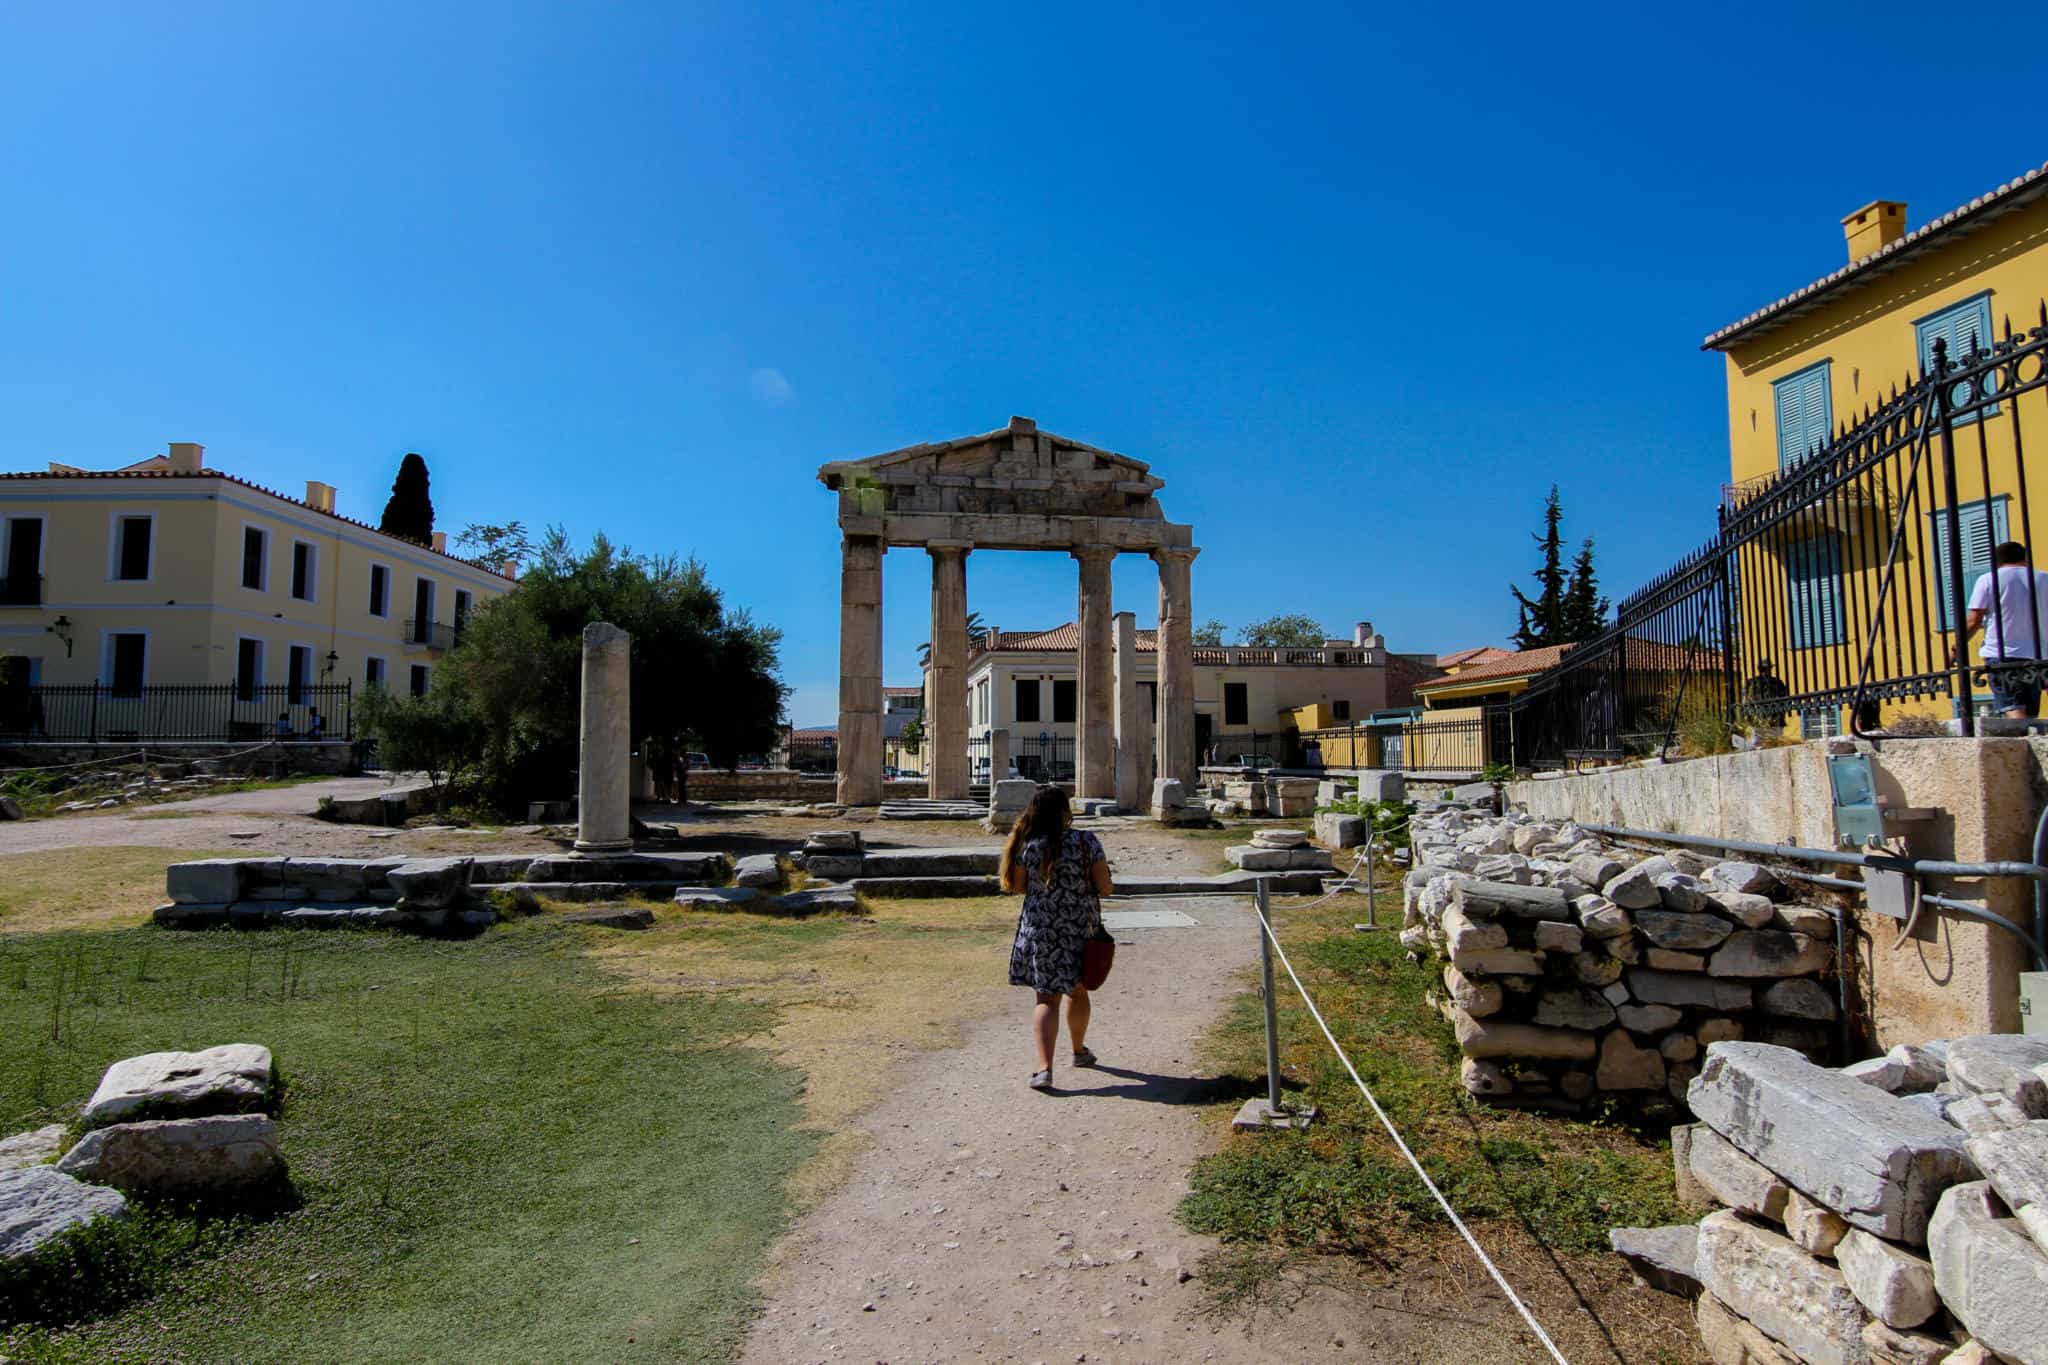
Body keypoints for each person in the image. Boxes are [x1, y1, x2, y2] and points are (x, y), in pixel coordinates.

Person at [1000, 786, 1113, 1091]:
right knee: (1077, 991)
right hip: (1080, 929)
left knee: (1045, 998)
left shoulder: (1031, 845)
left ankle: (1044, 1068)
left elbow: (1020, 886)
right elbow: (1105, 887)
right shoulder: (1087, 841)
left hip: (1041, 930)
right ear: (1065, 811)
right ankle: (1078, 1051)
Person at [1954, 540, 2048, 718]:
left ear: (1997, 560)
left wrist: (1955, 648)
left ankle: (2022, 743)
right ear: (2025, 558)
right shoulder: (2044, 578)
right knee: (2030, 711)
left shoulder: (1988, 579)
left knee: (2012, 706)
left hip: (2002, 653)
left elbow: (1974, 621)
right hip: (2038, 655)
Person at [1744, 659, 1790, 731]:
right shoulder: (1777, 682)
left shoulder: (1751, 682)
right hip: (1767, 720)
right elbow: (1785, 700)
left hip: (1764, 720)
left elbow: (1747, 701)